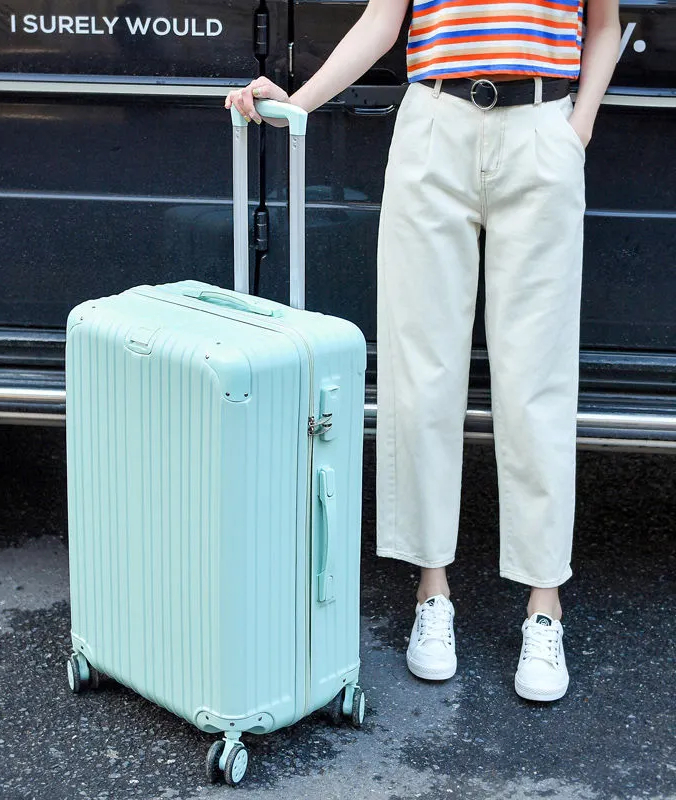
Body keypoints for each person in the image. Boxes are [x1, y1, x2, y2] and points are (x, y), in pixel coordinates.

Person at [226, 0, 620, 702]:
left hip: (542, 127)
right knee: (422, 371)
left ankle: (544, 603)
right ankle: (432, 591)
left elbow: (603, 22)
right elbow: (384, 19)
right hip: (435, 124)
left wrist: (579, 126)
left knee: (538, 378)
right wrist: (298, 103)